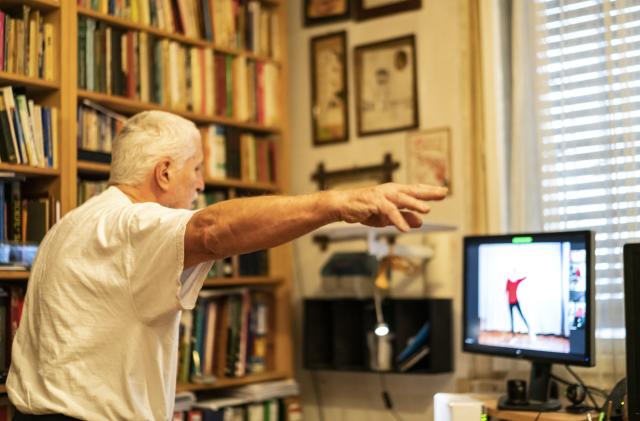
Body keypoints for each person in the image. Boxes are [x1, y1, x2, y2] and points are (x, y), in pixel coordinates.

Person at [6, 111, 447, 420]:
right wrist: (336, 203)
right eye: (195, 169)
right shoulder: (132, 224)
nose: (200, 184)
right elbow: (212, 231)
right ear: (163, 173)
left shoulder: (69, 226)